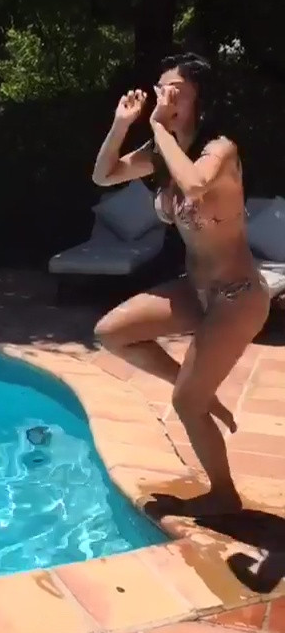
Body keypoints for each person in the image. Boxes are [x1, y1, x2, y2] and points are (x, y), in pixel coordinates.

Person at [91, 53, 269, 516]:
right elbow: (103, 175)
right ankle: (199, 391)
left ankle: (224, 495)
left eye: (176, 91)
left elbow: (193, 186)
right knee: (111, 332)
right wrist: (122, 123)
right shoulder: (161, 151)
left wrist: (159, 129)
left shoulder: (220, 149)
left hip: (237, 296)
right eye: (161, 87)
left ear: (199, 101)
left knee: (185, 404)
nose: (165, 97)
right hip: (196, 289)